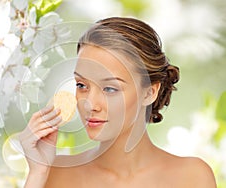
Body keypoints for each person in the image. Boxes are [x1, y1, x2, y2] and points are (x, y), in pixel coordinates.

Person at [19, 17, 216, 188]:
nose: (90, 104)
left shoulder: (192, 177)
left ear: (150, 92)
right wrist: (38, 174)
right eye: (81, 85)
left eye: (110, 89)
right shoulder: (56, 175)